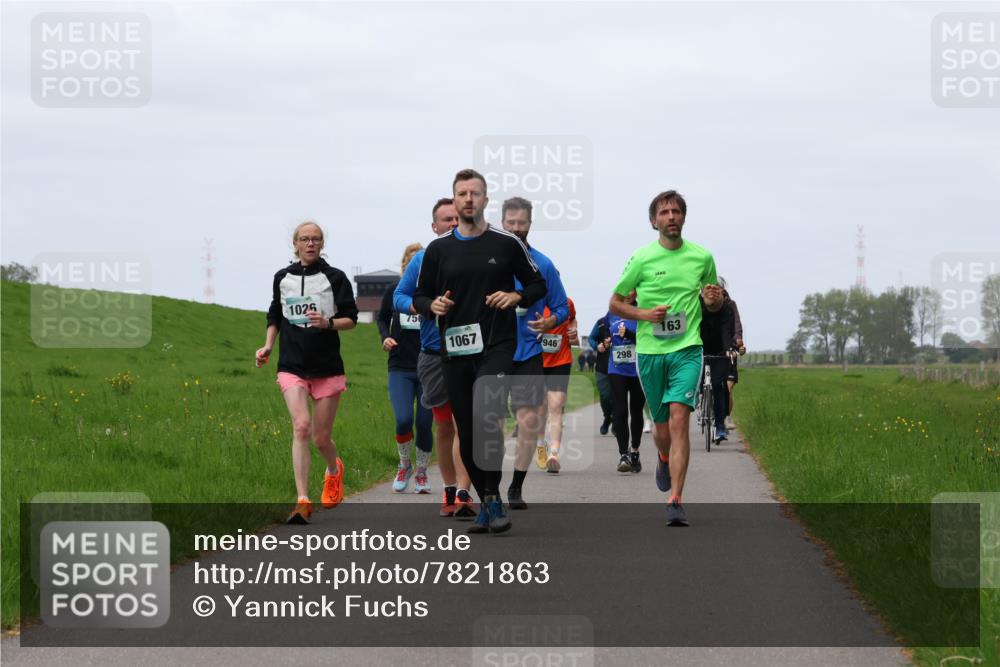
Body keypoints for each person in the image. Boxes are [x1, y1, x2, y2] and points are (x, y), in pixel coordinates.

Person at [413, 169, 546, 534]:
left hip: (497, 346)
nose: (468, 199)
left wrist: (516, 295)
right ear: (454, 202)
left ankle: (494, 497)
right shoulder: (438, 251)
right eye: (462, 194)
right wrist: (432, 306)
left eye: (475, 193)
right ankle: (487, 499)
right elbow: (420, 294)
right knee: (468, 429)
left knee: (487, 414)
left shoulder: (506, 244)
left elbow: (538, 284)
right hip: (454, 350)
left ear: (486, 200)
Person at [610, 190, 718, 527]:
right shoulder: (642, 258)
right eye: (664, 212)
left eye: (676, 211)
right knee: (661, 429)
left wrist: (712, 300)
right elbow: (615, 303)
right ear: (653, 221)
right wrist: (644, 314)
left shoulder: (702, 257)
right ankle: (660, 455)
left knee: (679, 419)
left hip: (687, 348)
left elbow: (713, 303)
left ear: (684, 217)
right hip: (651, 352)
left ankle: (675, 499)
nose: (671, 216)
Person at [256, 220, 358, 524]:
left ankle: (333, 469)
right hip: (292, 364)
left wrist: (328, 323)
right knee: (301, 426)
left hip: (326, 366)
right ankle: (302, 500)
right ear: (295, 244)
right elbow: (275, 313)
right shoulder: (282, 277)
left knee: (321, 438)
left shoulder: (335, 278)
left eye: (315, 239)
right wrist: (267, 346)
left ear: (322, 244)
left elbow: (351, 319)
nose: (310, 244)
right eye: (304, 239)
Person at [393, 198, 475, 518]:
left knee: (464, 423)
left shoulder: (477, 254)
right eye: (446, 220)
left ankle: (465, 492)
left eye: (457, 219)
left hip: (469, 350)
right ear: (434, 226)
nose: (452, 224)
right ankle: (450, 489)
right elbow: (400, 296)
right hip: (433, 353)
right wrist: (425, 306)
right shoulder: (424, 259)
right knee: (443, 426)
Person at [500, 196, 569, 510]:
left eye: (522, 223)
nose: (516, 228)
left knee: (528, 421)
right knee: (489, 424)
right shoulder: (490, 260)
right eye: (511, 222)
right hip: (492, 352)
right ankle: (487, 488)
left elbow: (561, 307)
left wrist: (551, 321)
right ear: (502, 222)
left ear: (530, 224)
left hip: (528, 352)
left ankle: (515, 486)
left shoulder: (543, 263)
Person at [378, 244, 434, 493]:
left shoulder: (432, 295)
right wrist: (385, 337)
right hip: (400, 365)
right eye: (410, 262)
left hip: (429, 364)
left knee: (424, 422)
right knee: (403, 419)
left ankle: (422, 472)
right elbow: (381, 318)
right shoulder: (394, 291)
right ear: (405, 266)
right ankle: (404, 464)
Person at [605, 294, 646, 473]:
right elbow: (605, 329)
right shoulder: (613, 311)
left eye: (632, 290)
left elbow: (649, 339)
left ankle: (635, 451)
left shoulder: (643, 309)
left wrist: (629, 334)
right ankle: (624, 454)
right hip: (617, 369)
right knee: (620, 411)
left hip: (638, 369)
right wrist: (605, 340)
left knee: (636, 411)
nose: (628, 294)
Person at [538, 298, 579, 472]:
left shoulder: (566, 302)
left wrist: (574, 329)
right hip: (536, 361)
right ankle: (541, 445)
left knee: (555, 406)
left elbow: (572, 319)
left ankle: (554, 453)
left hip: (560, 360)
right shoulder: (532, 301)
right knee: (540, 409)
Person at [700, 284, 737, 442]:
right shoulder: (697, 304)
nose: (712, 293)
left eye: (716, 290)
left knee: (719, 386)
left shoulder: (727, 308)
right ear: (702, 293)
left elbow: (726, 330)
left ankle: (720, 425)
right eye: (708, 290)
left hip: (720, 349)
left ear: (722, 292)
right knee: (696, 379)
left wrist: (729, 348)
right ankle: (698, 397)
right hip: (699, 347)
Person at [719, 278, 746, 430]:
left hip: (728, 348)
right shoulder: (701, 304)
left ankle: (727, 417)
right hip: (708, 346)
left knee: (727, 388)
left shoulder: (730, 305)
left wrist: (738, 342)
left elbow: (737, 326)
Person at [588, 315, 615, 435]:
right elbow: (591, 338)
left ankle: (616, 422)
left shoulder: (626, 321)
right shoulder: (601, 323)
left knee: (617, 397)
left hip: (620, 367)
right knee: (605, 396)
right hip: (602, 367)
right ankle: (607, 418)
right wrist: (596, 346)